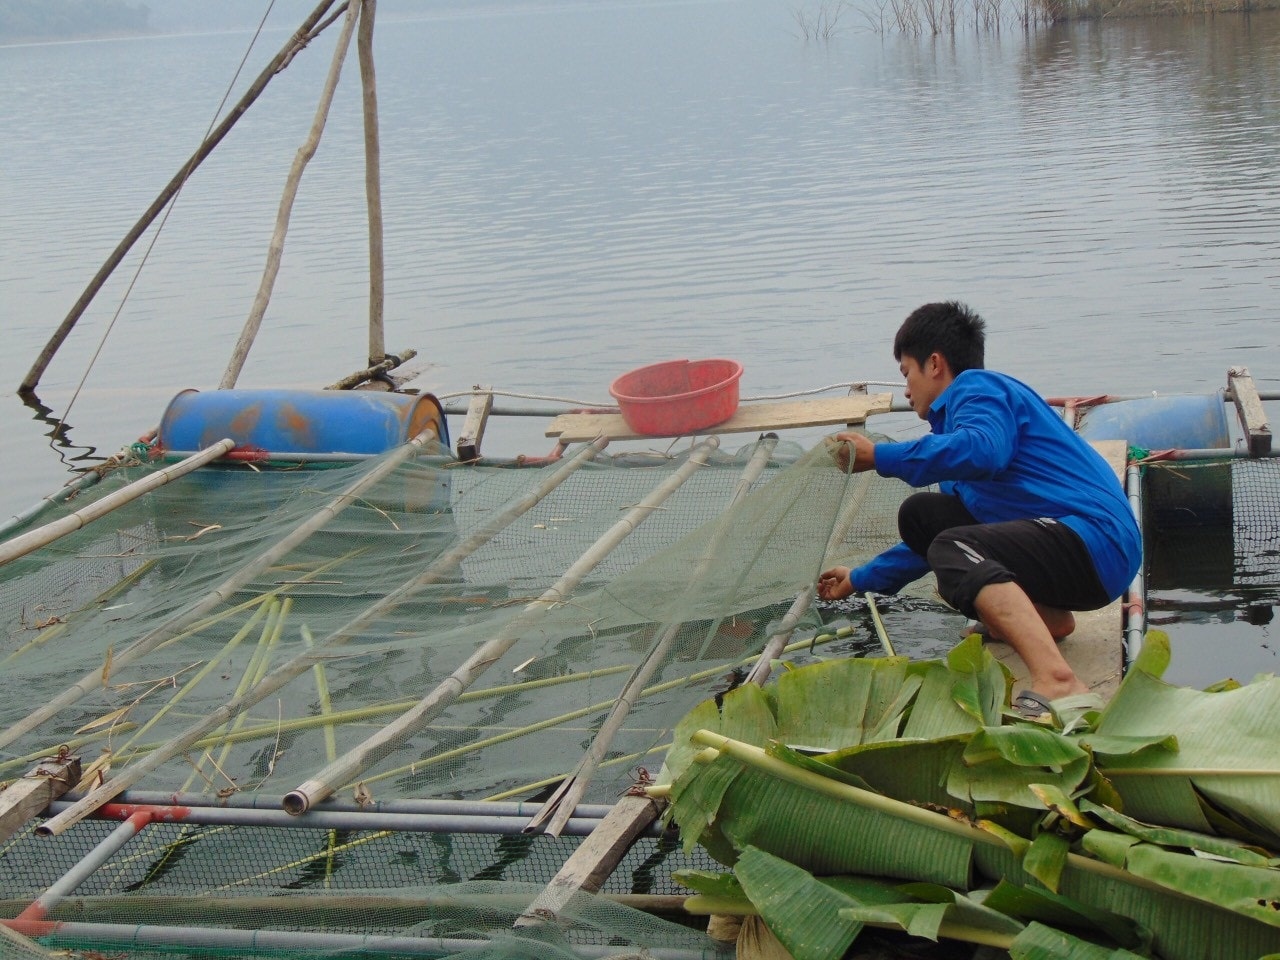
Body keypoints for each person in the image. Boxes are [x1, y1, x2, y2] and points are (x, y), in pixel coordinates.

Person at [816, 301, 1141, 713]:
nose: (906, 390)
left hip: (1096, 541)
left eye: (907, 374)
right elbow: (933, 541)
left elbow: (986, 452)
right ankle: (1049, 619)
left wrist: (881, 457)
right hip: (1075, 551)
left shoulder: (978, 389)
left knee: (953, 552)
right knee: (922, 518)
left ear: (935, 364)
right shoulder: (955, 438)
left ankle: (1058, 680)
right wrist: (859, 578)